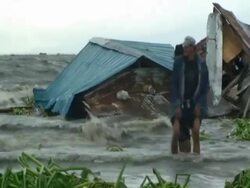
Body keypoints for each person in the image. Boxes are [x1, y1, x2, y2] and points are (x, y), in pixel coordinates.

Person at [171, 36, 209, 154]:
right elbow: (174, 85)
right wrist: (177, 105)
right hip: (180, 102)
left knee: (196, 132)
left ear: (193, 48)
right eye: (184, 47)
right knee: (177, 133)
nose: (185, 49)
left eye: (187, 47)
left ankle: (196, 161)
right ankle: (173, 157)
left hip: (195, 103)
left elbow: (205, 87)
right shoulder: (178, 63)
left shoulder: (201, 64)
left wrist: (199, 104)